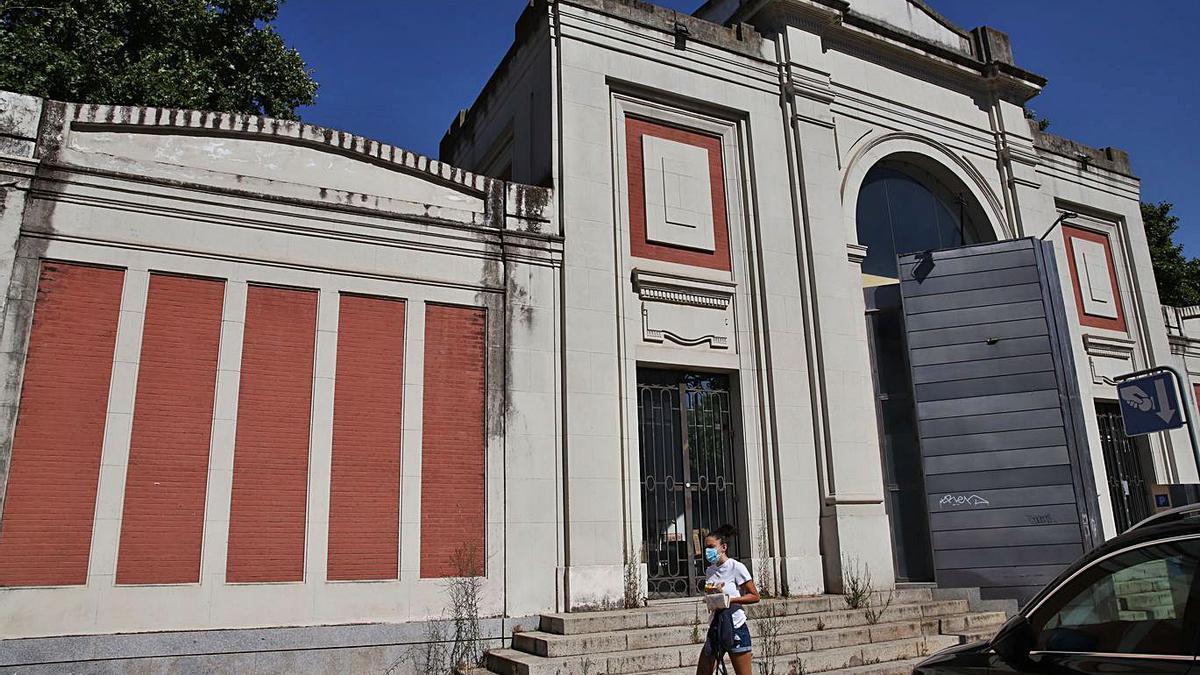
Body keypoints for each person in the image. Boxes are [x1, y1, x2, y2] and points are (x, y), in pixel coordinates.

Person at [696, 524, 760, 675]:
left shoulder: (736, 567)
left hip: (736, 626)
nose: (707, 551)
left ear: (723, 547)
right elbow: (712, 595)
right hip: (716, 626)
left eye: (711, 546)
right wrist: (711, 596)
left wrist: (729, 600)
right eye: (706, 547)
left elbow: (755, 596)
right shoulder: (710, 570)